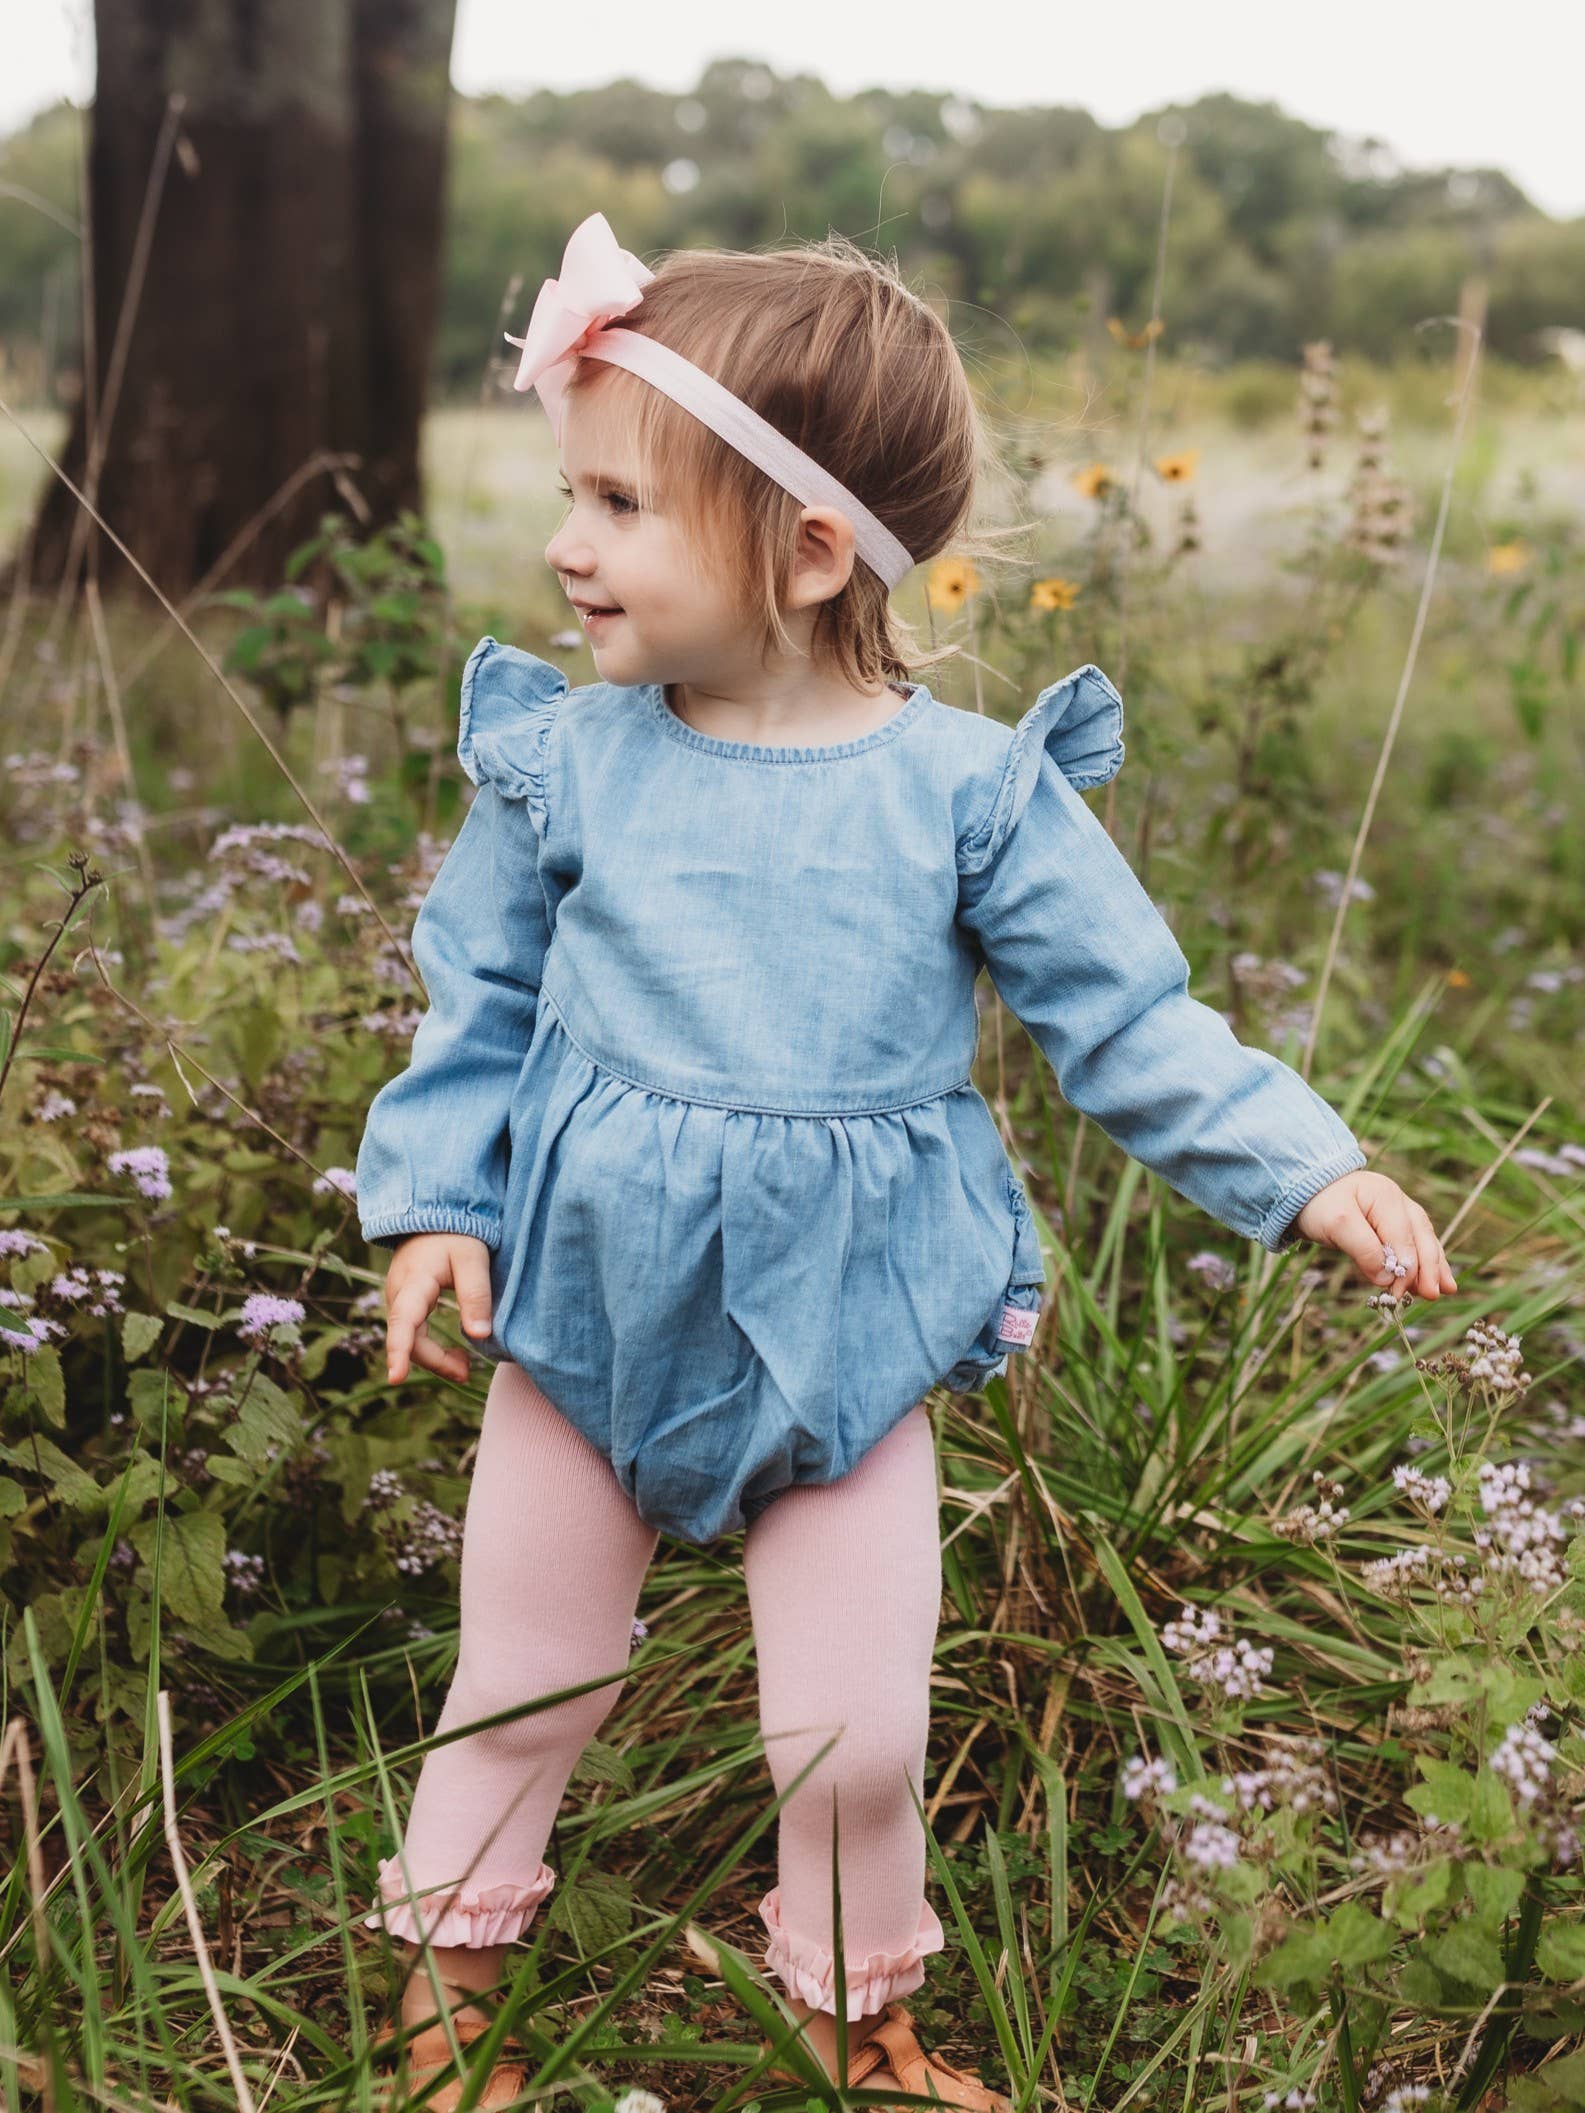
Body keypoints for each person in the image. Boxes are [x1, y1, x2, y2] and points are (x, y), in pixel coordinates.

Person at [353, 212, 1456, 2110]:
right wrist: (440, 1200)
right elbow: (476, 1000)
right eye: (569, 492)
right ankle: (447, 2010)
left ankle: (854, 2018)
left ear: (801, 547)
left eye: (620, 501)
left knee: (851, 1728)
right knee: (530, 1675)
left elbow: (1129, 1019)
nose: (565, 542)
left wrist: (1299, 1163)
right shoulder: (571, 764)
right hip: (590, 1305)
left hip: (851, 1325)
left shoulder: (967, 793)